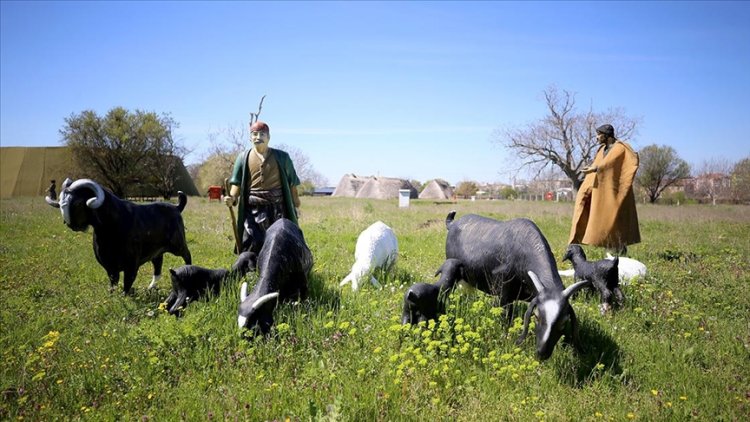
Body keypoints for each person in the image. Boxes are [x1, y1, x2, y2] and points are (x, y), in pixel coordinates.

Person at [224, 121, 301, 254]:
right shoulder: (243, 158)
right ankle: (250, 267)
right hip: (252, 208)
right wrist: (232, 198)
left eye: (262, 134)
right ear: (250, 137)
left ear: (269, 137)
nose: (258, 137)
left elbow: (292, 183)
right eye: (254, 134)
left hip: (278, 207)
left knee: (279, 239)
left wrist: (296, 204)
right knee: (253, 240)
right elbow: (236, 183)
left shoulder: (282, 157)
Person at [569, 124, 640, 255]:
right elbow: (598, 164)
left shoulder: (619, 148)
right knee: (601, 217)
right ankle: (608, 246)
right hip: (602, 191)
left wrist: (595, 168)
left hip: (615, 192)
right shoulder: (602, 149)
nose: (596, 138)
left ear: (607, 135)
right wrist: (591, 171)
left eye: (599, 134)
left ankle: (619, 249)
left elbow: (609, 164)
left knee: (615, 220)